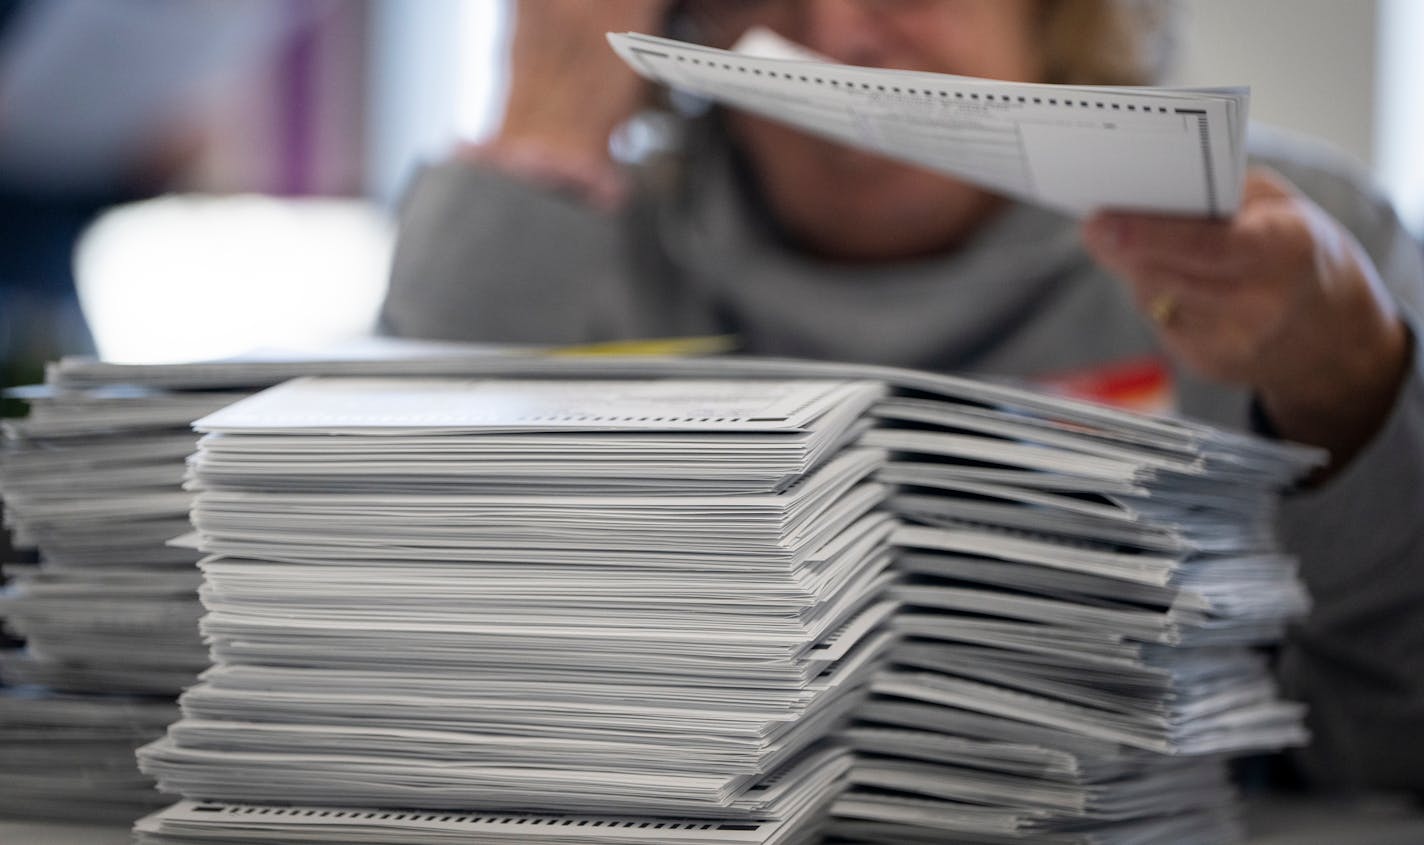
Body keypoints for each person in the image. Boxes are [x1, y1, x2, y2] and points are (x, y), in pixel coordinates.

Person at [380, 0, 1424, 794]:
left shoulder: (1280, 251)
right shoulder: (571, 241)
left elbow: (1393, 740)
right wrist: (540, 136)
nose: (836, 31)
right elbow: (382, 662)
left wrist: (1345, 395)